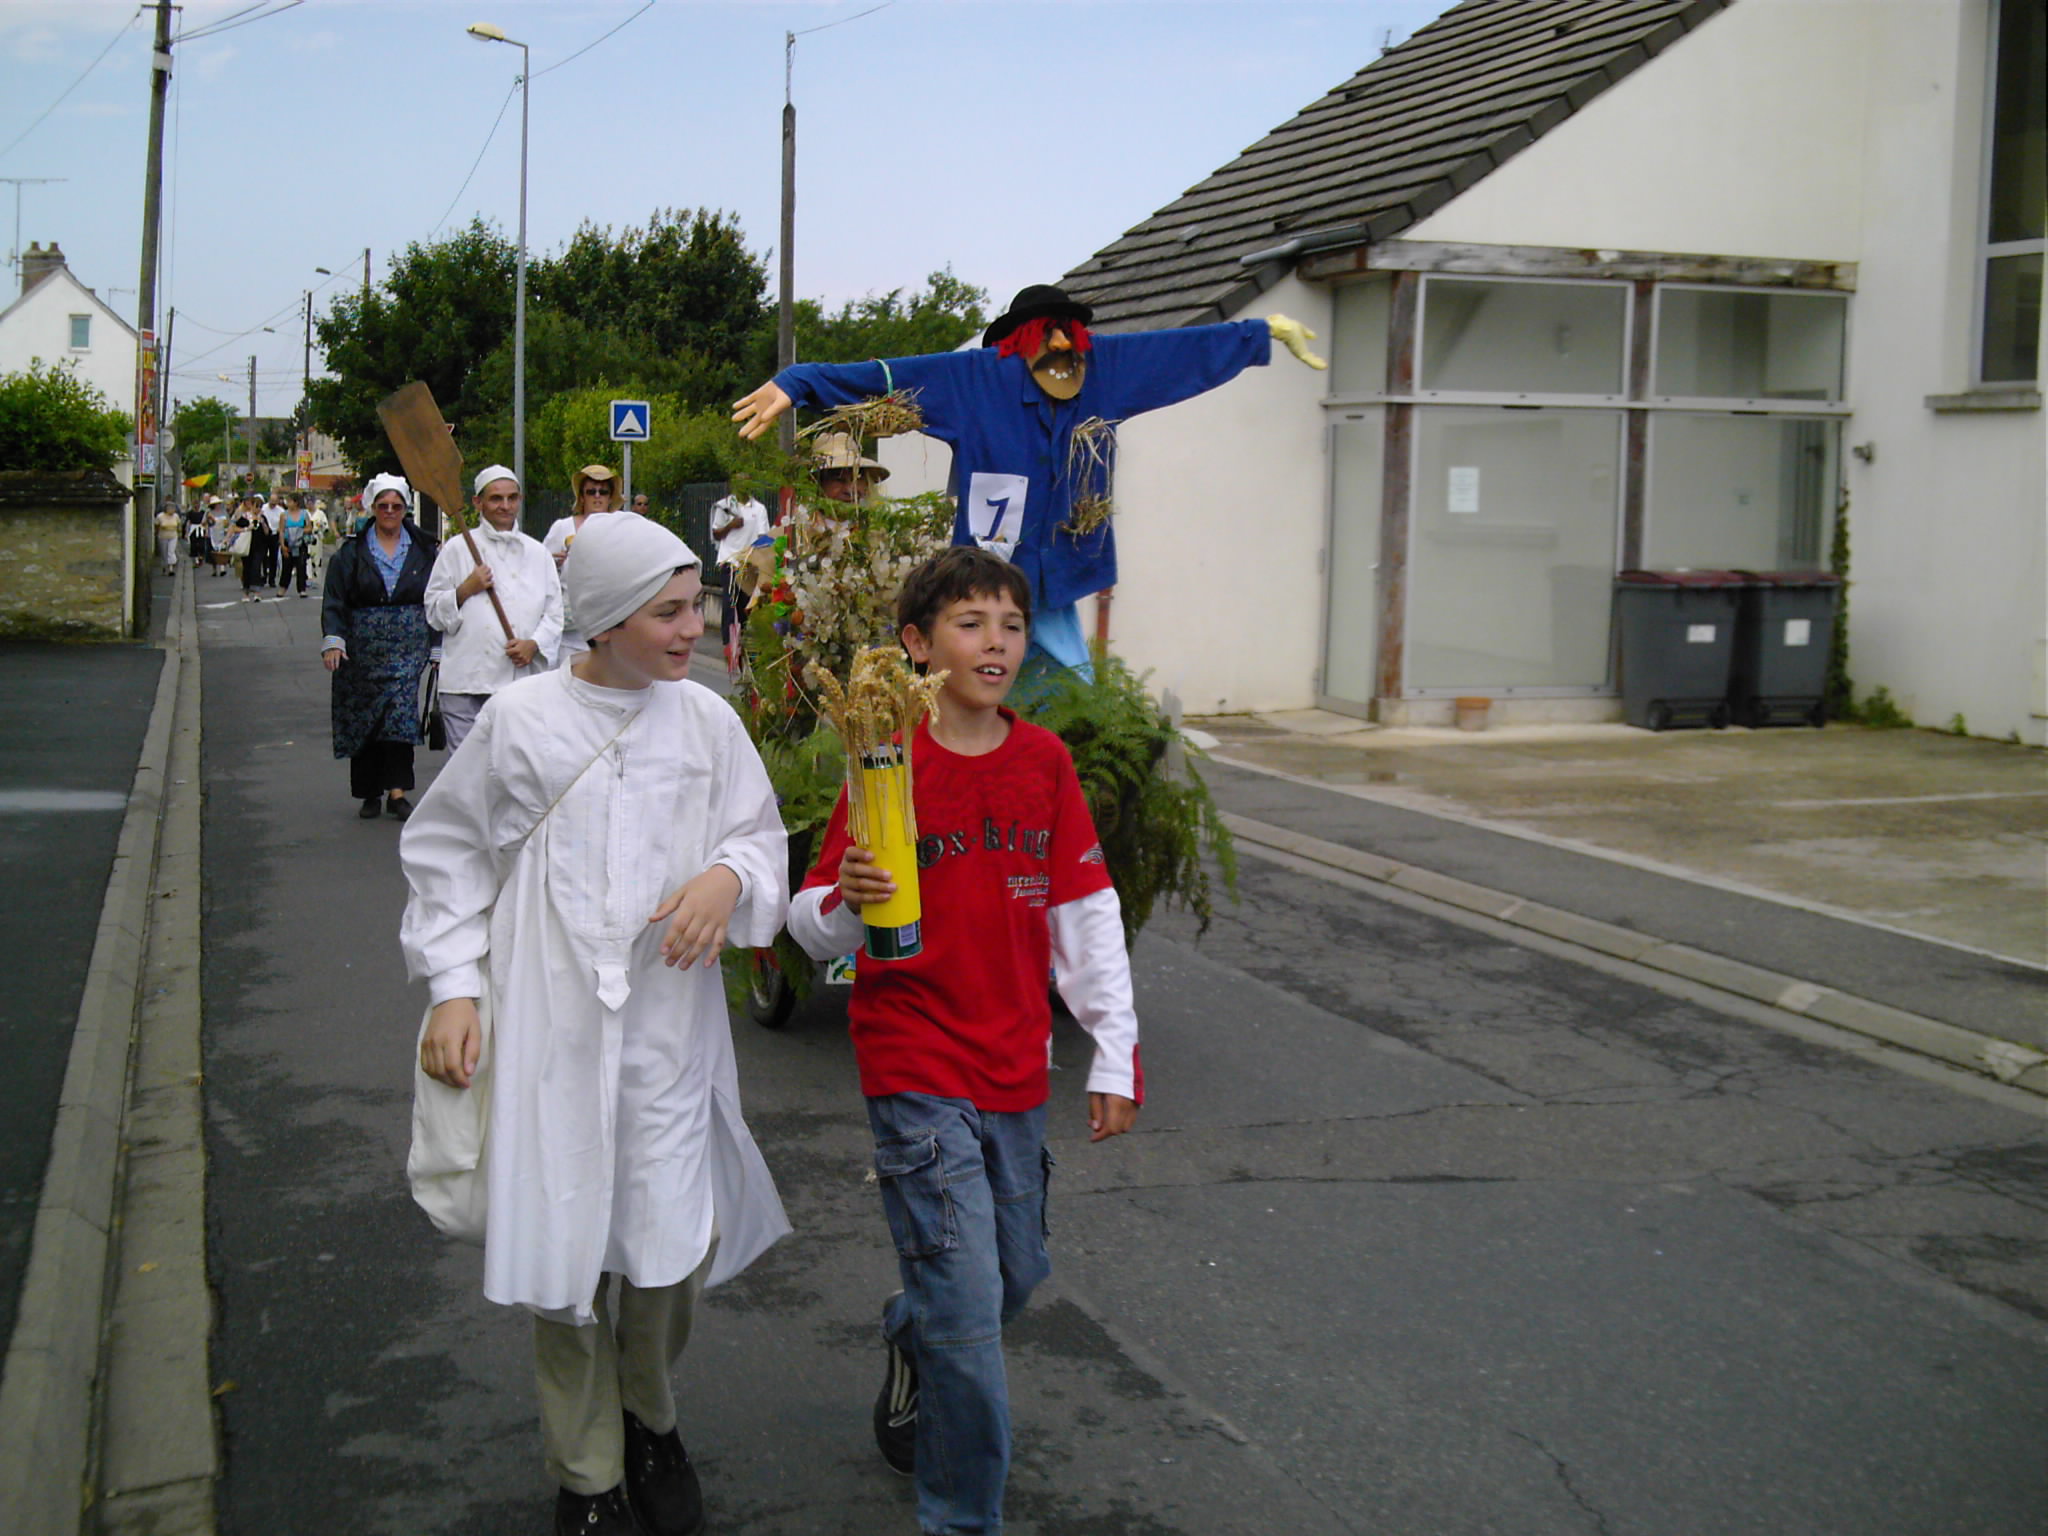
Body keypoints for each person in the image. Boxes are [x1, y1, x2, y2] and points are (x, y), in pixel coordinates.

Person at [400, 511, 791, 1536]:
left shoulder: (706, 723)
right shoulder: (522, 721)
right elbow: (449, 853)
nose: (693, 628)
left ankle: (648, 1411)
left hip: (667, 1031)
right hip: (551, 1024)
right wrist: (453, 986)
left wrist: (726, 876)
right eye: (670, 612)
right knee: (561, 1241)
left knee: (669, 1240)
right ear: (609, 620)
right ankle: (588, 1472)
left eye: (695, 605)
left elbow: (758, 837)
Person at [786, 544, 1141, 1535]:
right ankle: (960, 1516)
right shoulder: (884, 761)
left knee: (1012, 1276)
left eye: (1011, 625)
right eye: (970, 622)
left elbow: (1085, 915)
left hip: (1014, 1063)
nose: (997, 642)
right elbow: (809, 922)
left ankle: (916, 1332)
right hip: (913, 1059)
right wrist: (846, 901)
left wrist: (1113, 1051)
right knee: (970, 1311)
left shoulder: (1043, 764)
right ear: (917, 644)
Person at [734, 283, 1326, 673]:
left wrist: (1261, 332)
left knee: (1074, 703)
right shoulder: (975, 380)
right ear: (1018, 341)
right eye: (1049, 330)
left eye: (1070, 330)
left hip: (1061, 578)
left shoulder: (1103, 375)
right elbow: (888, 376)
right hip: (984, 581)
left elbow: (1175, 353)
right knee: (969, 686)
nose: (1063, 342)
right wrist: (800, 382)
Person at [321, 475, 440, 820]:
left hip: (408, 648)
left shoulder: (425, 550)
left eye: (396, 506)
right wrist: (334, 641)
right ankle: (370, 792)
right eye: (383, 506)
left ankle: (397, 792)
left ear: (405, 509)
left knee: (400, 717)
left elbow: (437, 598)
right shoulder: (351, 553)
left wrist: (437, 646)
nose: (390, 511)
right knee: (365, 719)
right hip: (362, 650)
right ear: (372, 508)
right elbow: (335, 600)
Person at [423, 465, 564, 752]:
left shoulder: (537, 553)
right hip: (465, 682)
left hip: (518, 683)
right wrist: (466, 589)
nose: (505, 506)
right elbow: (433, 612)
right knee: (466, 768)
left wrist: (534, 644)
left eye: (512, 498)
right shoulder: (457, 549)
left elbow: (554, 614)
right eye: (496, 498)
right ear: (478, 502)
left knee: (512, 765)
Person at [542, 464, 622, 658]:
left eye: (603, 492)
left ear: (611, 497)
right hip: (571, 633)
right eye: (591, 491)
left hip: (611, 626)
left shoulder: (622, 527)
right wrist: (553, 563)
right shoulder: (562, 528)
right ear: (582, 496)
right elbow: (539, 571)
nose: (597, 496)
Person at [708, 485, 769, 657]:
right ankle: (729, 644)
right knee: (730, 603)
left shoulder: (759, 509)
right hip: (729, 561)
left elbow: (763, 536)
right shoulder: (724, 506)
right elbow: (716, 533)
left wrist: (759, 559)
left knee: (746, 604)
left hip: (748, 564)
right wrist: (731, 525)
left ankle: (743, 641)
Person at [278, 494, 314, 597]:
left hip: (300, 543)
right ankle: (283, 587)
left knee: (301, 565)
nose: (288, 503)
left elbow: (309, 527)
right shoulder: (284, 515)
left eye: (290, 501)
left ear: (296, 503)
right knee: (287, 566)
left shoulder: (304, 514)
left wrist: (300, 531)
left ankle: (302, 589)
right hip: (288, 542)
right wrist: (282, 545)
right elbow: (281, 531)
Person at [154, 501, 184, 576]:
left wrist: (180, 532)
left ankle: (171, 568)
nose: (172, 510)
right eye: (170, 508)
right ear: (166, 509)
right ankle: (164, 567)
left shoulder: (176, 516)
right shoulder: (160, 516)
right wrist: (157, 533)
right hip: (163, 536)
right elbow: (156, 525)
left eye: (173, 508)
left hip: (173, 535)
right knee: (164, 553)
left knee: (171, 551)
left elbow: (179, 524)